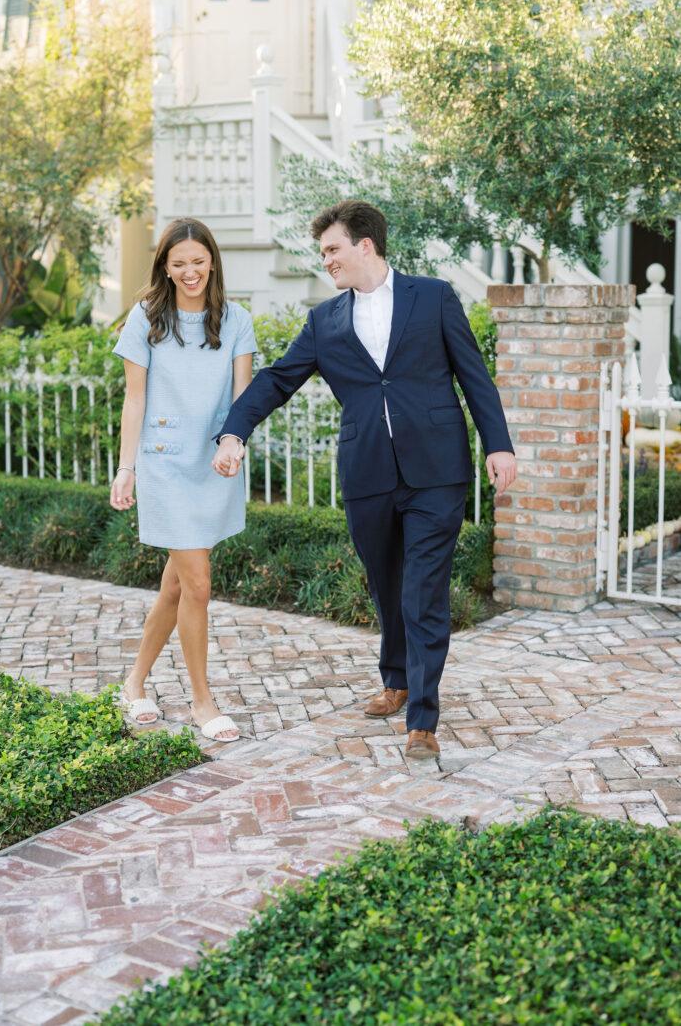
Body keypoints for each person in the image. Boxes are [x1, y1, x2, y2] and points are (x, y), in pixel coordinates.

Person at [212, 200, 516, 759]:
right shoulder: (323, 321)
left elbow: (474, 374)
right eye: (323, 251)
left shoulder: (434, 296)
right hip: (367, 473)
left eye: (332, 249)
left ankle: (422, 719)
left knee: (423, 590)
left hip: (437, 472)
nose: (326, 260)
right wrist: (234, 433)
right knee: (386, 583)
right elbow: (277, 380)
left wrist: (498, 443)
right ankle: (395, 679)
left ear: (365, 246)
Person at [110, 217, 257, 742]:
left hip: (214, 464)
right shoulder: (146, 317)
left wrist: (232, 443)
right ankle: (202, 701)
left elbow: (243, 399)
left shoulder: (236, 319)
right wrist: (126, 468)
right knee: (197, 582)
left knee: (175, 586)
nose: (190, 272)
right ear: (165, 268)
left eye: (198, 261)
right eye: (179, 264)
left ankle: (134, 682)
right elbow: (135, 398)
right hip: (165, 464)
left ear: (212, 261)